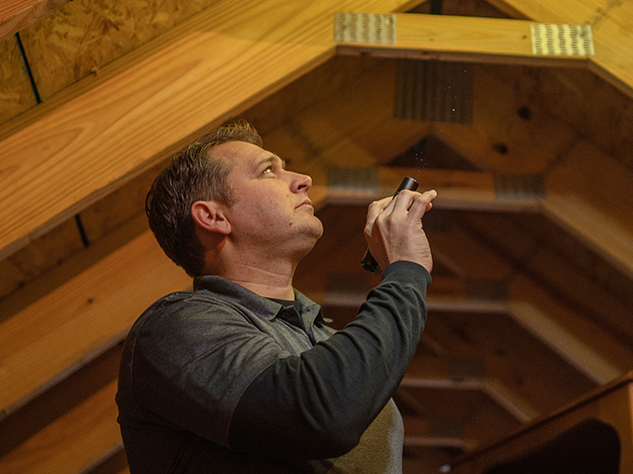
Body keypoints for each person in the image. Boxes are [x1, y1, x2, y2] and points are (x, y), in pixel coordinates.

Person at [117, 121, 437, 473]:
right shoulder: (172, 328)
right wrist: (405, 270)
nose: (303, 179)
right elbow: (321, 414)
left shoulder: (324, 338)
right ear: (213, 216)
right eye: (269, 171)